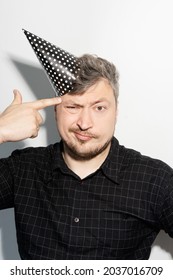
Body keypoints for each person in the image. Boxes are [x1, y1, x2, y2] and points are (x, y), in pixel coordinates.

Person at [0, 54, 173, 260]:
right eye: (73, 107)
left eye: (99, 108)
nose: (84, 123)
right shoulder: (23, 169)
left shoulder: (154, 180)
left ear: (116, 111)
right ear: (56, 110)